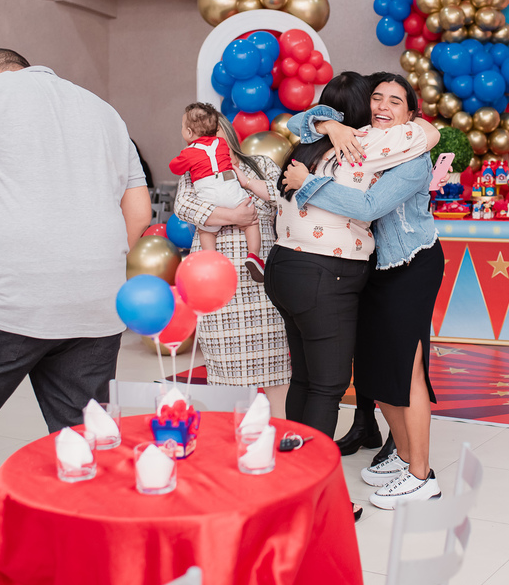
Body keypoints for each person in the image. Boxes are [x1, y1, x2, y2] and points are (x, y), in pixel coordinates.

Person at [0, 48, 150, 556]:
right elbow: (139, 208)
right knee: (85, 437)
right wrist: (94, 265)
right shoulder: (103, 110)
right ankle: (90, 561)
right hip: (94, 303)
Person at [283, 73, 444, 509]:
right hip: (375, 268)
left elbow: (370, 206)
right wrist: (329, 126)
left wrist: (308, 184)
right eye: (377, 97)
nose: (383, 105)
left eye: (396, 100)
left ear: (410, 114)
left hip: (412, 264)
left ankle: (421, 474)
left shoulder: (413, 155)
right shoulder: (364, 139)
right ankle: (404, 454)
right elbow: (294, 125)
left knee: (407, 372)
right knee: (375, 371)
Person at [172, 113, 290, 418]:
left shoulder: (259, 164)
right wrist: (236, 217)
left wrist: (241, 188)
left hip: (262, 279)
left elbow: (284, 197)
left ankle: (283, 438)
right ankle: (232, 442)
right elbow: (184, 206)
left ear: (226, 135)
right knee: (225, 370)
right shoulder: (194, 169)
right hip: (216, 283)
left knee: (276, 369)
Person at [169, 103, 266, 282]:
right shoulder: (219, 145)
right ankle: (254, 255)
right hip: (232, 191)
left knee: (207, 231)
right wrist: (236, 216)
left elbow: (174, 167)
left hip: (209, 196)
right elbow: (183, 207)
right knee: (251, 223)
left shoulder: (190, 153)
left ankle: (212, 261)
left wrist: (185, 155)